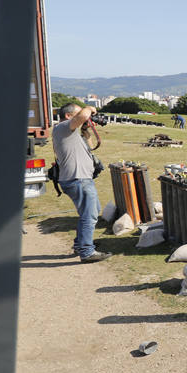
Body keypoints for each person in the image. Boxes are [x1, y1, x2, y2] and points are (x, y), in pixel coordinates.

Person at [52, 103, 112, 262]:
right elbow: (84, 115)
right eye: (78, 114)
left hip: (81, 178)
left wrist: (85, 130)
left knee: (91, 211)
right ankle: (86, 251)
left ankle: (81, 244)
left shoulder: (72, 133)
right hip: (77, 179)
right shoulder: (62, 128)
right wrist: (89, 108)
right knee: (89, 215)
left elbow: (90, 147)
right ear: (68, 116)